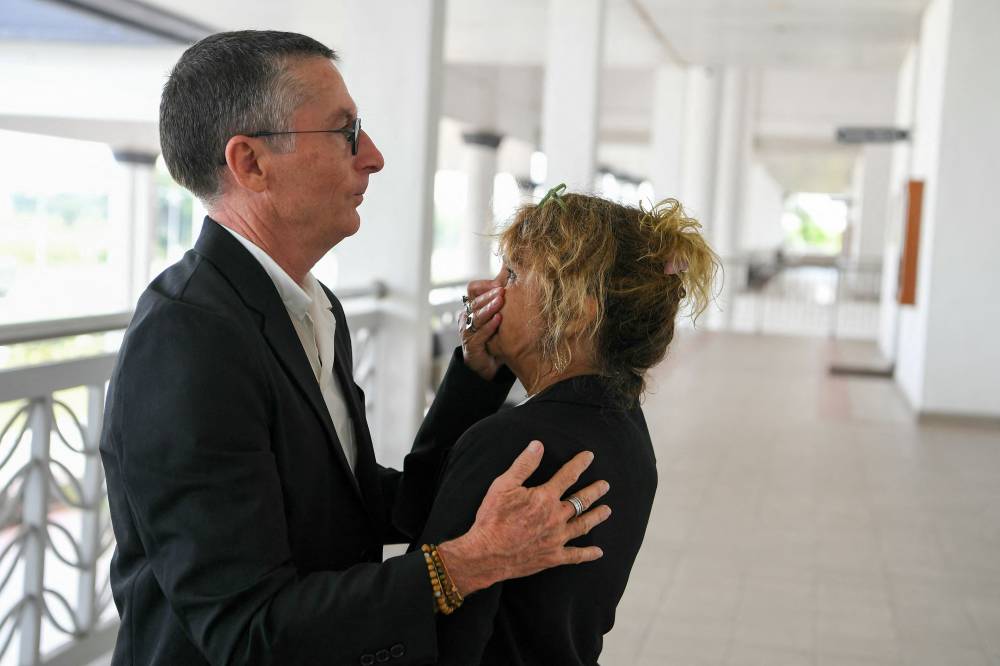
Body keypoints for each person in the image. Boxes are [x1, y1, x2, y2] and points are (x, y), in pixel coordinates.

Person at [99, 31, 611, 665]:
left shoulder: (313, 307)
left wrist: (479, 373)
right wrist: (466, 564)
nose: (373, 156)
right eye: (345, 132)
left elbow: (355, 505)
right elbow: (245, 629)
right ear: (251, 163)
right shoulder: (187, 339)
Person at [417, 187, 720, 665]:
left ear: (576, 313)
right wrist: (479, 378)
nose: (485, 290)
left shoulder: (513, 446)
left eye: (513, 274)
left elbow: (434, 637)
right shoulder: (624, 426)